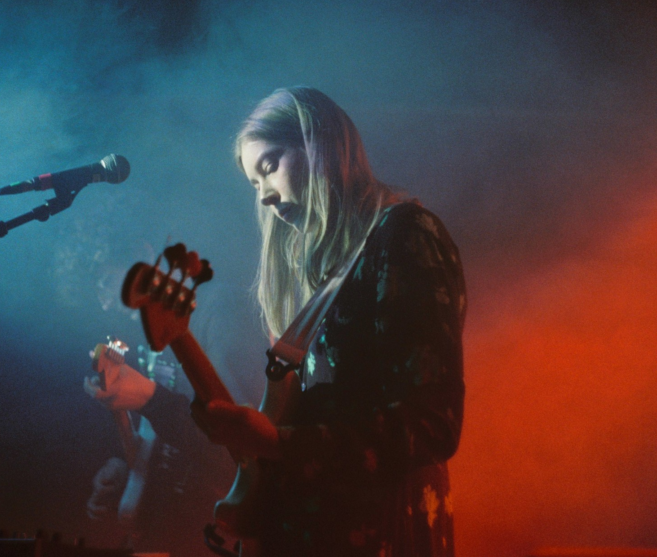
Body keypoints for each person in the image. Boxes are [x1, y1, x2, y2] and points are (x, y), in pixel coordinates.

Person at [191, 86, 466, 557]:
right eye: (253, 185)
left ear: (320, 144)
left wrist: (282, 445)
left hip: (385, 535)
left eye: (270, 166)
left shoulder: (404, 237)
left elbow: (431, 424)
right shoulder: (325, 275)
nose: (265, 197)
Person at [84, 343, 235, 556]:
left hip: (196, 541)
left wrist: (153, 400)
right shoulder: (141, 337)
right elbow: (153, 436)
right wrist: (123, 467)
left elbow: (235, 459)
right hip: (149, 535)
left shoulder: (225, 331)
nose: (105, 307)